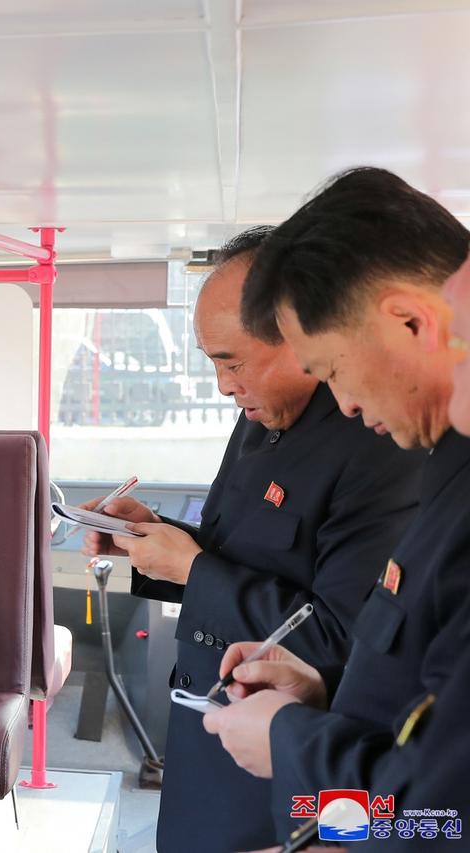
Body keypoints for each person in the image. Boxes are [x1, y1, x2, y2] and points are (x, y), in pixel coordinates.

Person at [81, 226, 422, 852]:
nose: (223, 385)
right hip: (204, 717)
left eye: (232, 362)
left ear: (297, 338)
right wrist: (149, 539)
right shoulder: (259, 420)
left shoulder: (376, 442)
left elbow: (341, 636)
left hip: (286, 750)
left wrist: (191, 571)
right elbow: (225, 550)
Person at [201, 167, 470, 840]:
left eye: (333, 370)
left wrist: (292, 742)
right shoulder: (449, 469)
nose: (345, 403)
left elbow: (439, 820)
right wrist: (322, 699)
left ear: (412, 321)